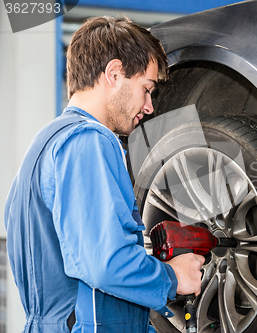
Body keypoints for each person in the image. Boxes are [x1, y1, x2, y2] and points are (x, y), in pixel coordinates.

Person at [4, 16, 204, 333]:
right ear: (114, 74)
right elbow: (104, 263)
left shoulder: (47, 143)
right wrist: (172, 276)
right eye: (146, 89)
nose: (149, 106)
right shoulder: (88, 141)